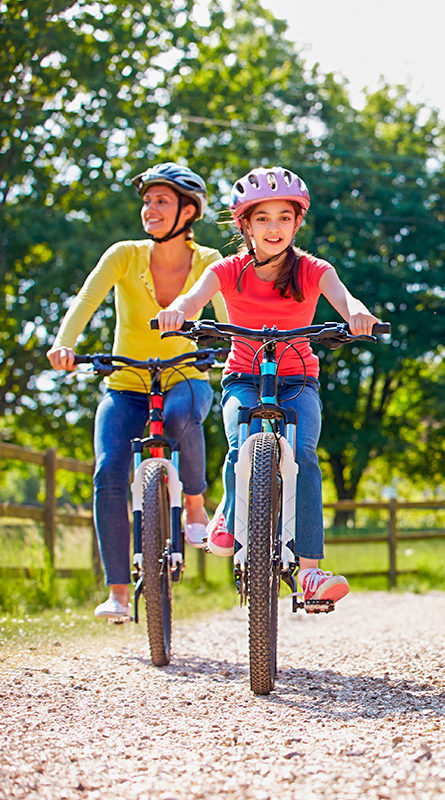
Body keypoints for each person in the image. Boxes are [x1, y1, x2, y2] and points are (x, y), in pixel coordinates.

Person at [156, 166, 380, 607]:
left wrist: (358, 314)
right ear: (245, 225)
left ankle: (310, 573)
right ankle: (230, 513)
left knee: (303, 456)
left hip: (299, 380)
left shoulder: (314, 270)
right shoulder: (228, 270)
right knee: (241, 443)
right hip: (243, 375)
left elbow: (345, 298)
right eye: (262, 218)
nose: (273, 227)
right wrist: (178, 311)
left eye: (283, 217)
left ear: (298, 223)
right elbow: (193, 297)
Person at [47, 162, 225, 621]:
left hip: (185, 375)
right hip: (125, 383)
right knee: (108, 471)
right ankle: (119, 594)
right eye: (147, 201)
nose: (150, 208)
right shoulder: (124, 254)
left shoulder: (207, 262)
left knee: (185, 416)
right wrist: (65, 344)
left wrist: (234, 350)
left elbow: (227, 320)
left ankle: (194, 504)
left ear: (189, 210)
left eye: (161, 200)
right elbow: (87, 299)